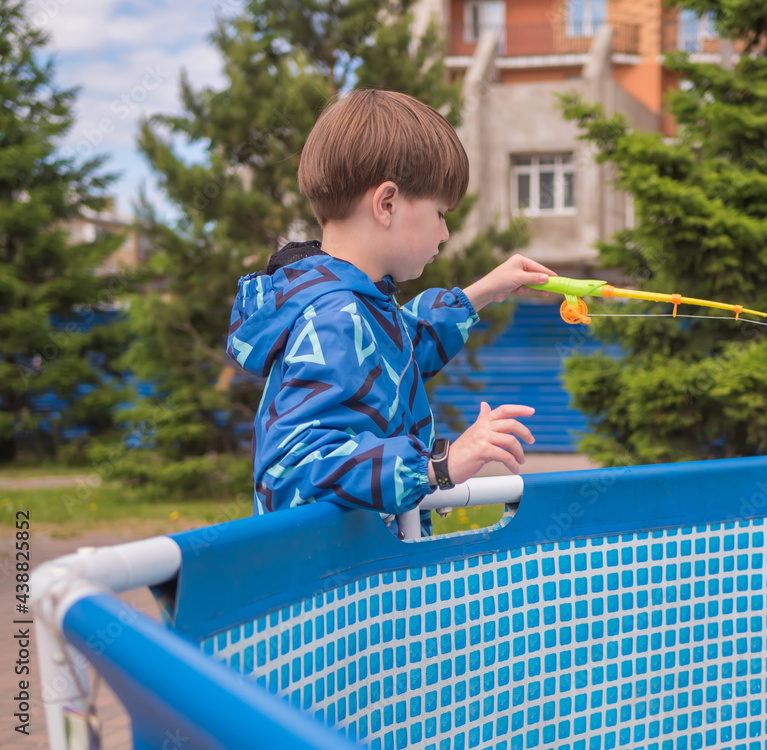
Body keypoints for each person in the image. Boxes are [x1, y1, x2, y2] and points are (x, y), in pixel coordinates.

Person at [225, 89, 555, 537]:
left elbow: (405, 347)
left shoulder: (356, 304)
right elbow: (294, 467)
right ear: (387, 204)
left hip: (354, 576)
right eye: (439, 212)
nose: (445, 231)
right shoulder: (335, 316)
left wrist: (482, 292)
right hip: (328, 590)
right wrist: (439, 465)